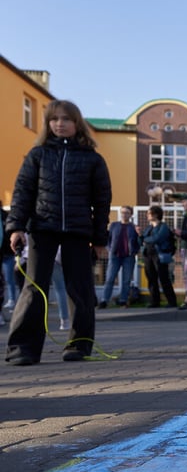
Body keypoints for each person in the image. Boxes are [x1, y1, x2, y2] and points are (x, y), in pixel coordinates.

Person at [5, 99, 112, 365]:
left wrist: (100, 239)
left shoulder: (92, 159)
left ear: (77, 123)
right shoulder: (38, 155)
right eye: (54, 119)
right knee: (34, 288)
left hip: (78, 231)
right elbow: (23, 193)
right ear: (48, 124)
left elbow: (102, 201)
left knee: (81, 289)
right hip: (42, 228)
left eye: (65, 119)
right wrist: (16, 227)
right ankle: (23, 348)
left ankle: (79, 345)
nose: (59, 124)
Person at [98, 206, 140, 309]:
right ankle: (104, 300)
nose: (124, 214)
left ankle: (123, 301)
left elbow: (138, 241)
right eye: (123, 212)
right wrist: (109, 249)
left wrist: (134, 251)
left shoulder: (133, 227)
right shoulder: (114, 225)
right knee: (110, 278)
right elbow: (108, 238)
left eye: (127, 213)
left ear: (131, 215)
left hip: (128, 256)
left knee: (126, 280)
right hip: (115, 255)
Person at [139, 205, 178, 308]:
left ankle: (172, 301)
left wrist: (145, 239)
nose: (147, 215)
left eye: (149, 213)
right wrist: (140, 236)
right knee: (151, 278)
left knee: (163, 278)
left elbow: (157, 238)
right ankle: (154, 301)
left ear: (156, 214)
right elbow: (141, 239)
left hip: (159, 255)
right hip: (148, 255)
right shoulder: (149, 228)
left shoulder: (163, 227)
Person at [52, 248, 70, 330]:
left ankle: (64, 319)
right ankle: (64, 320)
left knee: (59, 289)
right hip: (62, 254)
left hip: (49, 255)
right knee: (61, 289)